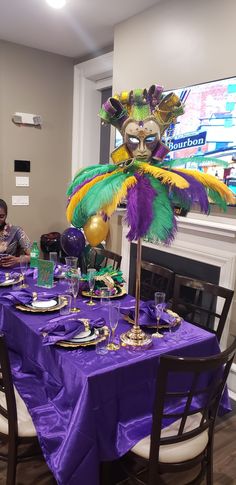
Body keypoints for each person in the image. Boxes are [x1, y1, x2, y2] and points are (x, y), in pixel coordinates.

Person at [0, 199, 31, 267]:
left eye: (1, 216)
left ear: (6, 215)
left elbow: (35, 257)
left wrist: (17, 260)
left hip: (10, 274)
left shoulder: (16, 231)